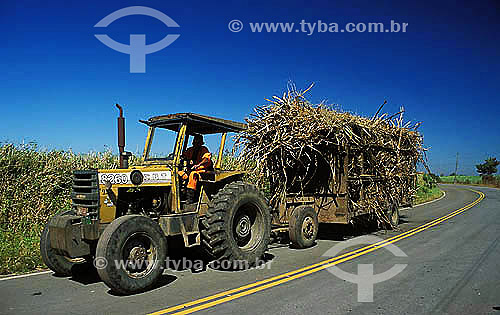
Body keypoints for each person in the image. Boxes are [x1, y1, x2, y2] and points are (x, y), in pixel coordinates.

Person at [178, 134, 213, 203]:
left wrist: (198, 165)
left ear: (201, 143)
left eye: (198, 142)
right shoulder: (190, 150)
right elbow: (184, 156)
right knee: (179, 174)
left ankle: (190, 198)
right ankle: (180, 194)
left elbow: (206, 159)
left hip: (202, 171)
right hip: (190, 170)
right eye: (195, 141)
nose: (196, 143)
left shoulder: (204, 149)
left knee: (192, 175)